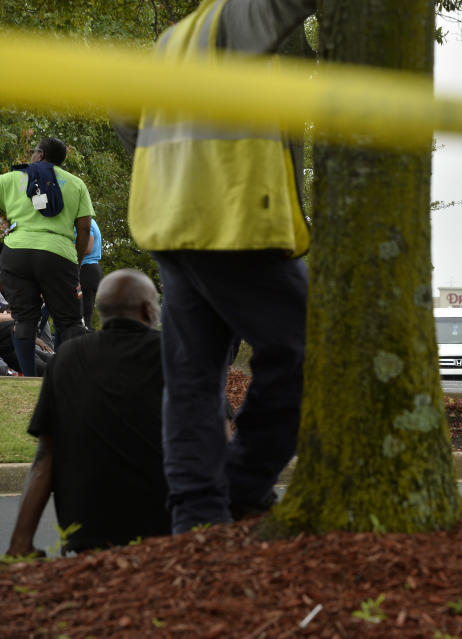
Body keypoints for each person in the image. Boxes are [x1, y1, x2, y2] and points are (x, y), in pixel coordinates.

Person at [114, 0, 315, 534]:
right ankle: (242, 484)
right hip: (232, 222)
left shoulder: (172, 42)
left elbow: (125, 115)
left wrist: (170, 170)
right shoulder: (233, 20)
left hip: (173, 223)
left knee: (191, 379)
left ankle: (197, 515)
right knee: (312, 346)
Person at [5, 270, 169, 556]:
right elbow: (220, 436)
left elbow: (45, 456)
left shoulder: (67, 357)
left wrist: (20, 544)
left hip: (88, 531)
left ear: (102, 313)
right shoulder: (177, 353)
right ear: (148, 310)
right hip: (168, 522)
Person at [0, 137, 92, 376]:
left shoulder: (10, 179)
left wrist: (5, 220)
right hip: (58, 254)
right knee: (70, 320)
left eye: (33, 152)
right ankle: (69, 375)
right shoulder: (76, 184)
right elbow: (84, 229)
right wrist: (77, 262)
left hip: (16, 252)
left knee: (23, 319)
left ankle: (29, 377)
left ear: (40, 155)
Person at [79, 217, 102, 329]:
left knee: (81, 319)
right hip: (92, 270)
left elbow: (87, 248)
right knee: (86, 318)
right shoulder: (91, 221)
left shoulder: (83, 223)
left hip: (86, 270)